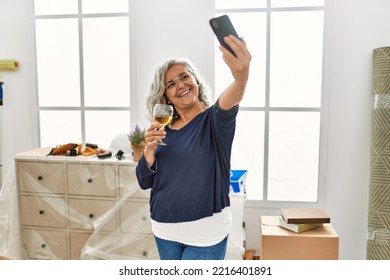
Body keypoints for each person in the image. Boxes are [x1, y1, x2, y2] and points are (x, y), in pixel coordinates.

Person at [135, 35, 251, 260]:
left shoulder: (214, 119)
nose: (180, 85)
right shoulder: (162, 128)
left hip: (205, 235)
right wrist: (148, 152)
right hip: (164, 231)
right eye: (171, 84)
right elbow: (144, 182)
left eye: (184, 76)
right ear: (166, 96)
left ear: (195, 80)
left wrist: (241, 77)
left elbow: (234, 93)